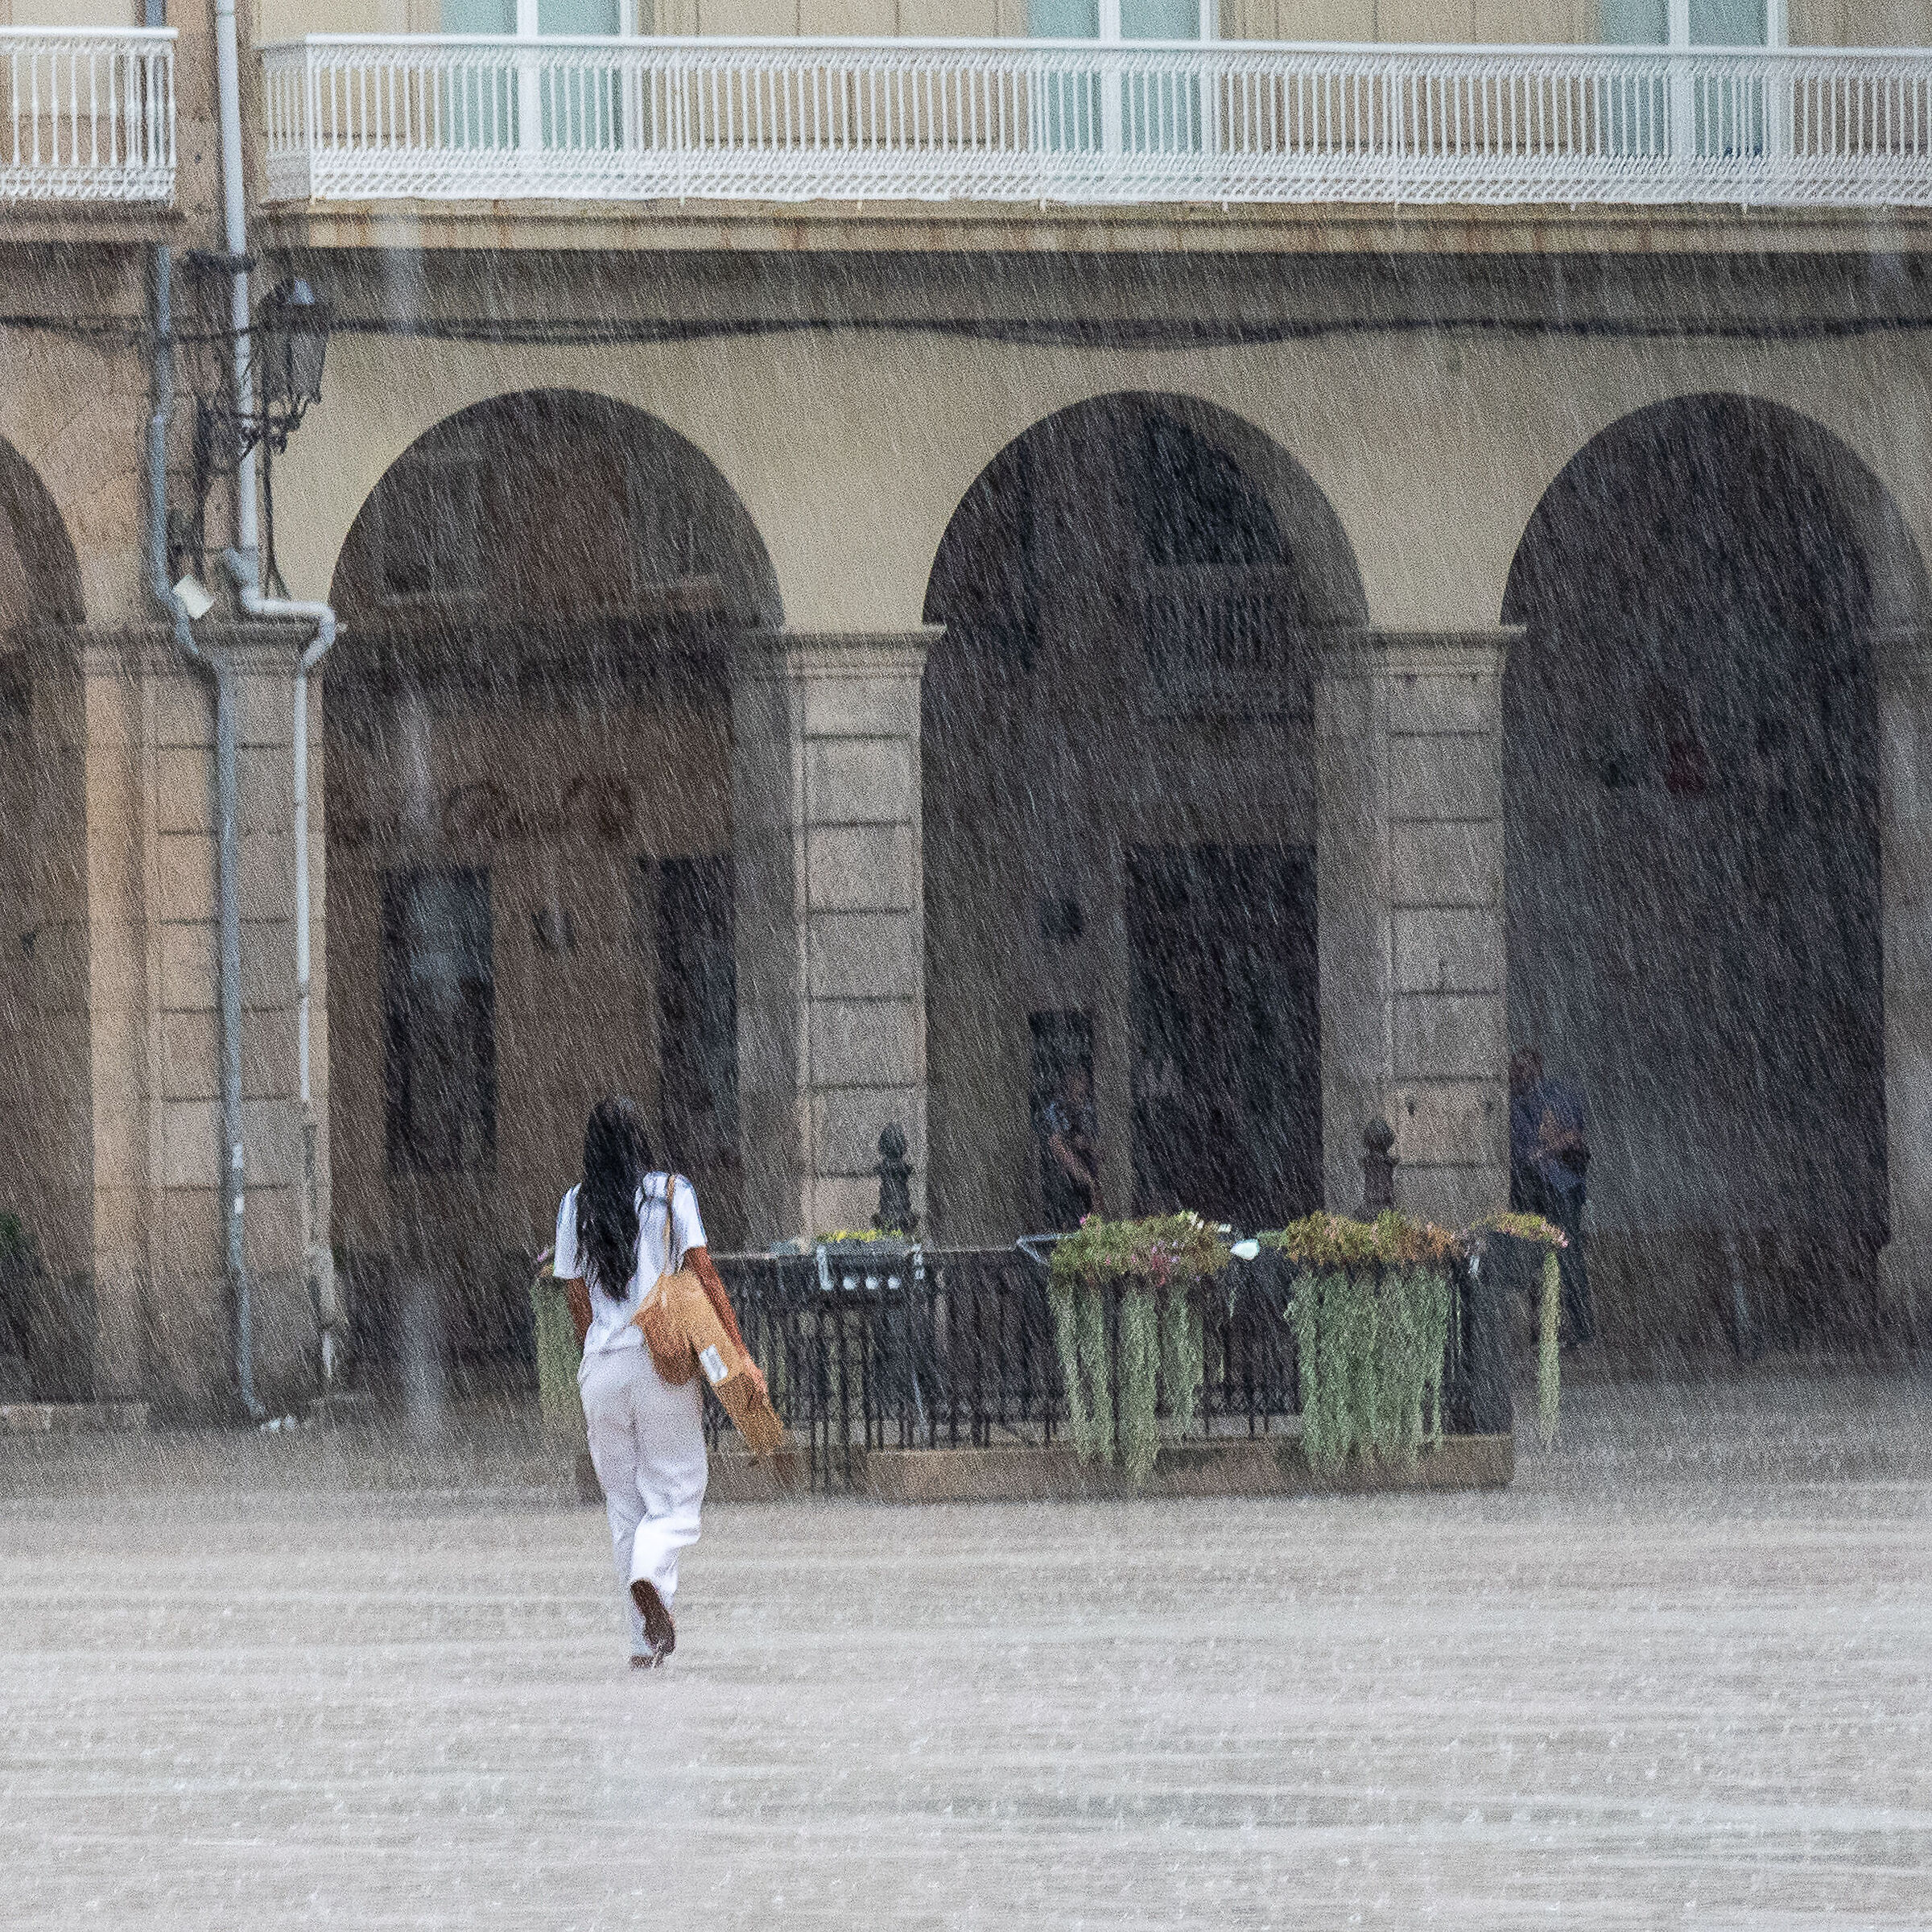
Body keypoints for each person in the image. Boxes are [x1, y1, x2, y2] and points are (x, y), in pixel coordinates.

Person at [554, 1096, 766, 1669]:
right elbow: (705, 1274)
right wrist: (740, 1355)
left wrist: (601, 1353)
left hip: (601, 1368)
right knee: (675, 1496)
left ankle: (641, 1643)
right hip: (661, 1363)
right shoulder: (671, 1194)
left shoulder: (575, 1205)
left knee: (623, 1506)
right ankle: (651, 1577)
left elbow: (576, 1297)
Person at [1509, 1046, 1593, 1346]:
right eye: (1516, 1068)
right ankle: (1544, 1328)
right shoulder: (1513, 1104)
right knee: (1535, 1259)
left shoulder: (1557, 1095)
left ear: (1538, 1066)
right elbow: (1520, 1152)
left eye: (1525, 1067)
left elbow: (1572, 1138)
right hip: (1530, 1188)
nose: (1520, 1073)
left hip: (1560, 1186)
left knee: (1567, 1257)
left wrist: (1545, 1149)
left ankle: (1580, 1330)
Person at [1042, 1062, 1104, 1230]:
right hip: (1065, 1179)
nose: (1082, 1084)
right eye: (1078, 1079)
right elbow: (1056, 1144)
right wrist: (1085, 1177)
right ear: (1068, 1081)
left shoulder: (1088, 1109)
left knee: (1092, 1221)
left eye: (1084, 1080)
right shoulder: (1057, 1109)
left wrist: (1089, 1147)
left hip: (1087, 1172)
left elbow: (1095, 1143)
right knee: (1067, 1225)